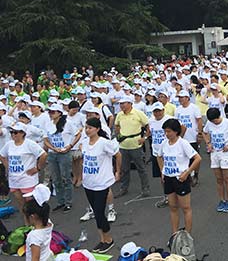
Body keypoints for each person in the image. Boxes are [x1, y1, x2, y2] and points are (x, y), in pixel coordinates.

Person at [81, 117, 121, 254]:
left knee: (99, 212)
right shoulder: (84, 143)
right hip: (88, 183)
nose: (87, 130)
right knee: (96, 212)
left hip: (101, 183)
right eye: (86, 128)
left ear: (97, 129)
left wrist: (117, 171)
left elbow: (118, 155)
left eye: (90, 128)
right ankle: (102, 239)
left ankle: (109, 240)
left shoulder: (104, 143)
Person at [157, 118, 202, 234]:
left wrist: (187, 172)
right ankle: (175, 234)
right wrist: (162, 171)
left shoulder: (183, 143)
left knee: (186, 208)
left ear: (176, 131)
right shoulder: (164, 143)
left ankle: (187, 234)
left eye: (169, 131)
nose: (166, 134)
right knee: (173, 207)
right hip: (168, 179)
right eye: (165, 131)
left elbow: (197, 158)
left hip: (180, 179)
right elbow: (159, 156)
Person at [0, 122, 47, 224]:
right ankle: (27, 222)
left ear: (22, 133)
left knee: (31, 203)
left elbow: (43, 155)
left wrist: (38, 168)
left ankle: (38, 222)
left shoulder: (29, 144)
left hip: (27, 179)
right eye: (11, 132)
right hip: (14, 179)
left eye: (15, 132)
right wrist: (7, 167)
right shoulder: (9, 144)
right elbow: (2, 155)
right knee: (21, 203)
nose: (13, 135)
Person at [43, 104, 81, 213]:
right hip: (53, 153)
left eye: (53, 112)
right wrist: (53, 148)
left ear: (59, 113)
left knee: (66, 178)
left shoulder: (68, 123)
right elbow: (45, 139)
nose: (50, 114)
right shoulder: (48, 124)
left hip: (64, 153)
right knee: (56, 179)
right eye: (49, 112)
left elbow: (78, 134)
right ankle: (60, 201)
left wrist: (70, 146)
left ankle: (68, 202)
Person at [203, 108, 228, 212]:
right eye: (212, 121)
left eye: (215, 120)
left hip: (225, 154)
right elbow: (204, 132)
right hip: (214, 153)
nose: (214, 123)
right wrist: (208, 143)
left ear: (219, 116)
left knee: (226, 178)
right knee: (219, 179)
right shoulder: (209, 123)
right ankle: (222, 200)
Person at [114, 95, 150, 198]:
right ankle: (123, 188)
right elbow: (116, 125)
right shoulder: (119, 115)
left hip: (136, 145)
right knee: (124, 169)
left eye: (123, 103)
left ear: (130, 104)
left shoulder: (138, 113)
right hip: (123, 146)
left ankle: (145, 188)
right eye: (120, 104)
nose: (121, 105)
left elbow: (148, 126)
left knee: (141, 168)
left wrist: (145, 138)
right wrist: (118, 135)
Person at [174, 90, 203, 187]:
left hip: (192, 137)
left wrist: (199, 134)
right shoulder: (178, 109)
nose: (180, 99)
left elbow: (199, 121)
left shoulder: (194, 108)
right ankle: (188, 175)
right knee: (183, 157)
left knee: (195, 157)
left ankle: (196, 175)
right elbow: (176, 123)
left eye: (182, 97)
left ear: (187, 98)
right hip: (182, 138)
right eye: (179, 98)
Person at [22, 184, 54, 261]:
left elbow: (35, 258)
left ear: (32, 216)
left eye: (26, 215)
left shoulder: (34, 236)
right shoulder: (48, 222)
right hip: (48, 256)